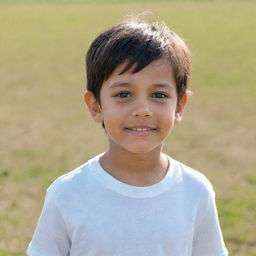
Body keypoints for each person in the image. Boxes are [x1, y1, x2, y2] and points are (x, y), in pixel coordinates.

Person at [27, 17, 229, 256]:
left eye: (159, 95)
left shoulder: (196, 191)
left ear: (180, 106)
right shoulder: (67, 193)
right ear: (95, 107)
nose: (142, 109)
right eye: (124, 94)